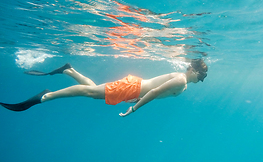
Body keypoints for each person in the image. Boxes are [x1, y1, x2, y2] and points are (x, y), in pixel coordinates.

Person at [0, 59, 208, 116]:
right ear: (194, 70)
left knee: (94, 92)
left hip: (134, 89)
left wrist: (136, 100)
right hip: (132, 88)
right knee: (91, 92)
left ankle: (68, 71)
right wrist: (135, 109)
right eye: (203, 74)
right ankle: (47, 96)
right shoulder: (181, 80)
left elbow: (157, 91)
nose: (202, 79)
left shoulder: (183, 84)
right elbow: (154, 92)